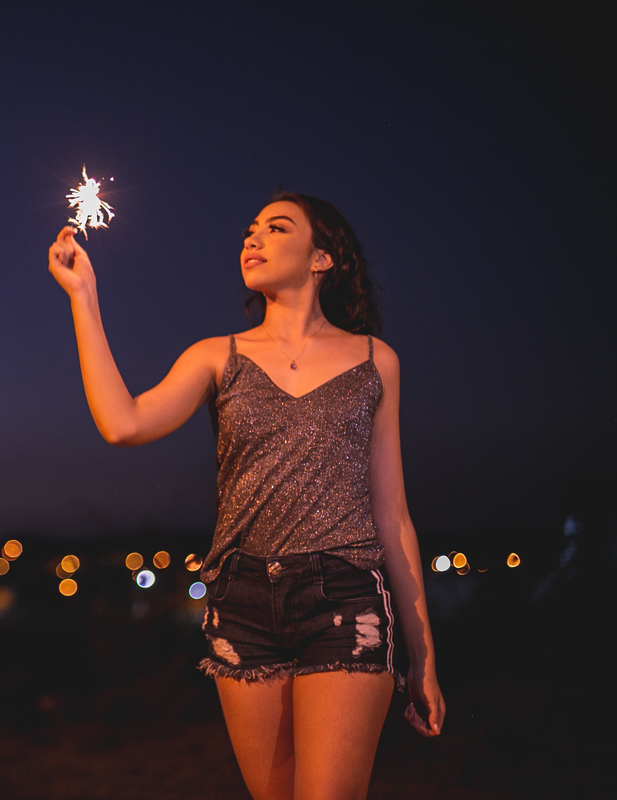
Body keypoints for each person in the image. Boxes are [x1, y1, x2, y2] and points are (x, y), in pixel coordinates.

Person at [47, 193, 445, 800]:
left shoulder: (374, 361)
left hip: (344, 597)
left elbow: (393, 515)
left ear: (322, 258)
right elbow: (122, 423)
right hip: (242, 604)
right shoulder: (218, 356)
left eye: (275, 229)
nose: (252, 240)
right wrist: (84, 298)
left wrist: (423, 655)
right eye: (249, 231)